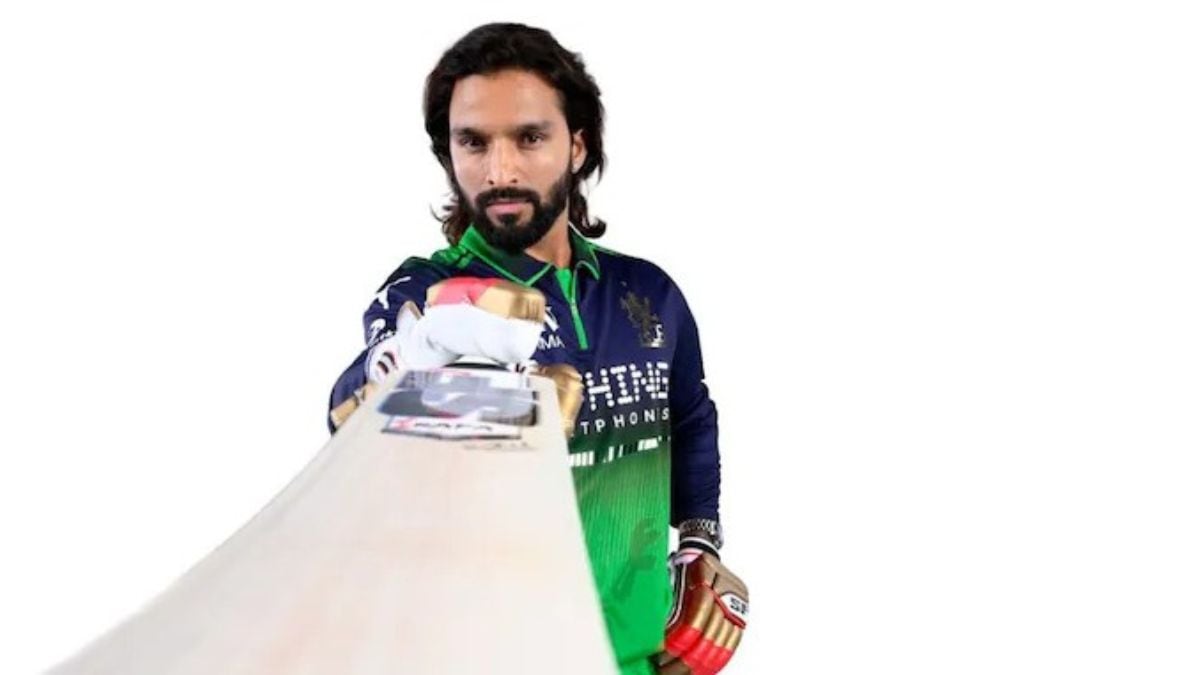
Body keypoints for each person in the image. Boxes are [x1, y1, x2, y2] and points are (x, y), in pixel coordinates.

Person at [327, 23, 748, 674]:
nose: (500, 170)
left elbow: (690, 418)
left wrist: (700, 546)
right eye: (474, 142)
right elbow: (355, 406)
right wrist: (411, 366)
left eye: (529, 138)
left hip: (635, 658)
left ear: (577, 145)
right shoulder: (427, 292)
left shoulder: (649, 292)